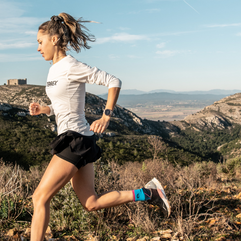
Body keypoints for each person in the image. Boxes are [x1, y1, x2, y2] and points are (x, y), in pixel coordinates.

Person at [28, 12, 170, 241]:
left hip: (74, 140)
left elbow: (114, 82)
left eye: (40, 42)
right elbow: (63, 105)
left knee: (39, 198)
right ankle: (149, 192)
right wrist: (44, 109)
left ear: (54, 39)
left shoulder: (71, 65)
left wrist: (106, 116)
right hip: (79, 139)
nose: (38, 48)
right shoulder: (53, 69)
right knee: (91, 203)